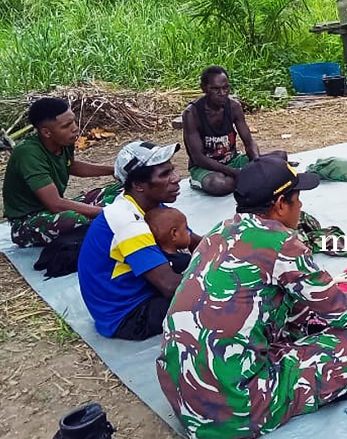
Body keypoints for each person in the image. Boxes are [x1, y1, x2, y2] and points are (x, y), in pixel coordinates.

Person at [157, 155, 347, 439]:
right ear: (279, 205)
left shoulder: (217, 233)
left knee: (292, 308)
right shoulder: (282, 244)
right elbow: (343, 313)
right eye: (297, 198)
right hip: (235, 409)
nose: (300, 206)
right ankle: (316, 387)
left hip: (182, 395)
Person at [78, 141, 201, 340]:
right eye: (165, 175)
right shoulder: (127, 221)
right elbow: (170, 286)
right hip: (127, 316)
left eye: (172, 171)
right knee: (216, 298)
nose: (177, 179)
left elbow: (195, 242)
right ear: (138, 185)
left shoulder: (151, 205)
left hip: (142, 293)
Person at [2, 97, 121, 247]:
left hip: (55, 210)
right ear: (46, 132)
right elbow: (55, 204)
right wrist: (103, 212)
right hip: (29, 222)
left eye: (73, 121)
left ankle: (108, 218)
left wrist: (114, 170)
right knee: (76, 219)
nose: (75, 128)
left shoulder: (63, 142)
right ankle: (109, 220)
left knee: (123, 189)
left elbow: (71, 166)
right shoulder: (28, 153)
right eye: (66, 125)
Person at [183, 65, 277, 196]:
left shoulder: (234, 107)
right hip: (205, 168)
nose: (222, 93)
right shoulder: (192, 114)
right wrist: (234, 172)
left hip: (233, 160)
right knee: (219, 185)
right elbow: (198, 158)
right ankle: (249, 178)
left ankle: (246, 177)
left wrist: (256, 162)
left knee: (280, 157)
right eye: (215, 89)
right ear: (204, 88)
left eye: (225, 87)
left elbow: (249, 142)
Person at [144, 207, 192, 274]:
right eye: (185, 229)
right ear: (174, 234)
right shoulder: (185, 261)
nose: (188, 233)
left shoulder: (156, 260)